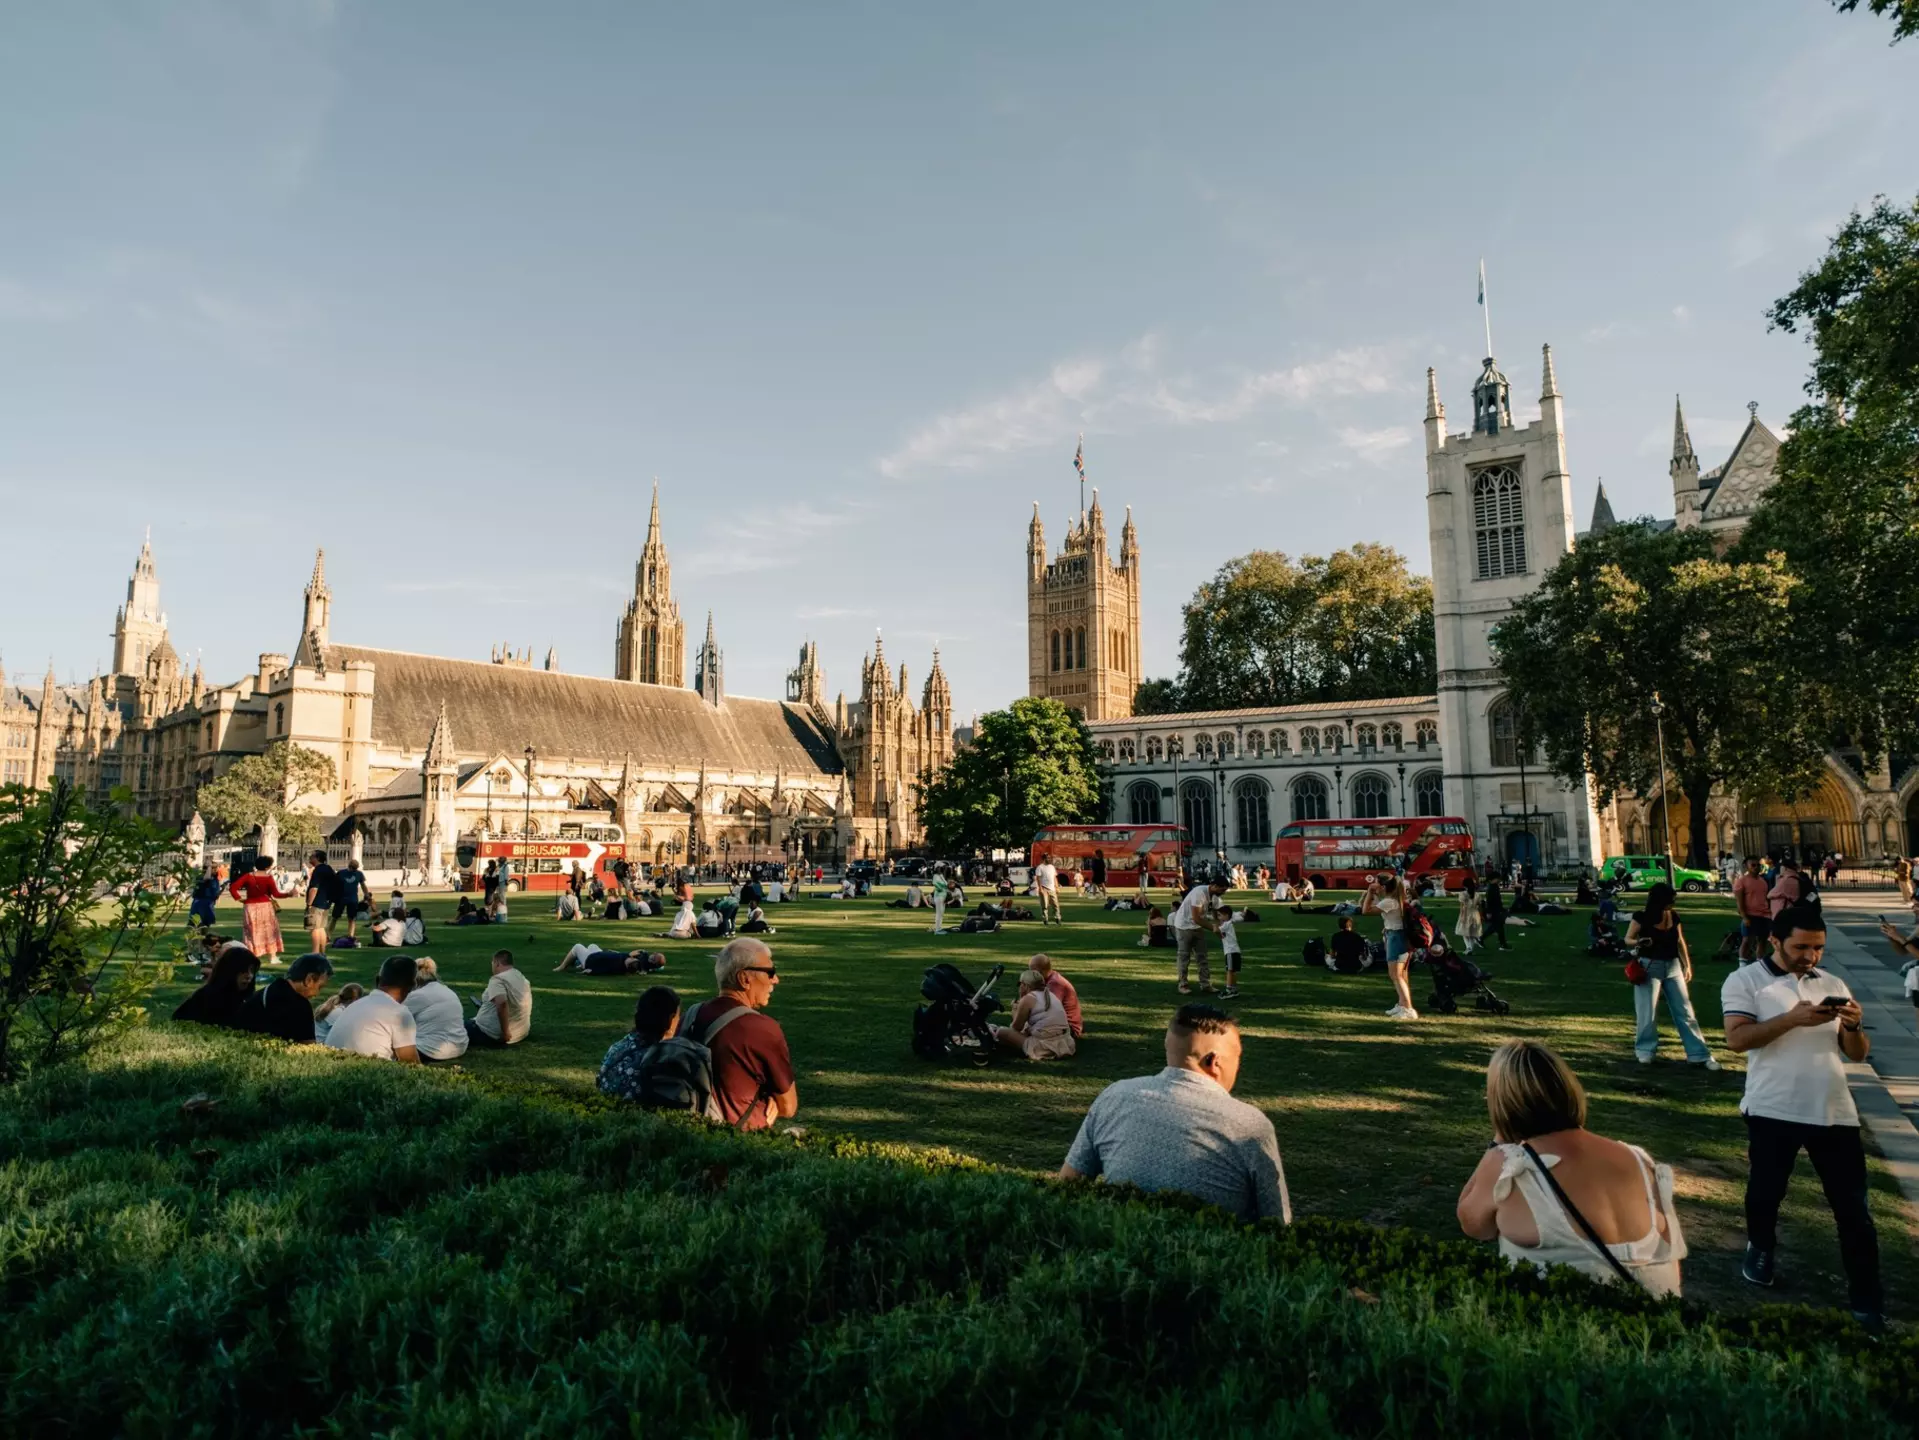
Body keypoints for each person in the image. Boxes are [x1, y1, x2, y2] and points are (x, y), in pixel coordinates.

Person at [1722, 904, 1880, 1328]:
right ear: (1775, 940)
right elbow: (1737, 1040)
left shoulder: (1832, 982)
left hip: (1834, 1109)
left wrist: (1852, 1026)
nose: (1810, 957)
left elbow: (1858, 1055)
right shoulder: (1746, 981)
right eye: (1801, 947)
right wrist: (1791, 1020)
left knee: (1854, 1211)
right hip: (1773, 1106)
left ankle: (1867, 1299)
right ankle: (1760, 1247)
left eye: (1818, 948)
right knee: (1766, 1192)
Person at [1455, 1040, 1686, 1297]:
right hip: (1653, 1326)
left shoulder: (1510, 1164)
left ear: (1502, 1103)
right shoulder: (1638, 1159)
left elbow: (1474, 1225)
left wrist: (1499, 1138)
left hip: (1564, 1329)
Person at [1060, 1005, 1290, 1223]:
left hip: (1119, 1250)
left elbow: (1068, 1185)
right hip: (1208, 1260)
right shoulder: (1249, 1125)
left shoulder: (1114, 1097)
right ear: (1214, 1062)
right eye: (1237, 1058)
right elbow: (1277, 1222)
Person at [679, 938, 797, 1131]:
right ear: (744, 979)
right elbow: (788, 1106)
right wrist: (771, 1098)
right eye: (770, 972)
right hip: (736, 1141)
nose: (776, 979)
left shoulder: (690, 1016)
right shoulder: (762, 1029)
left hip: (688, 1131)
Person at [1625, 882, 1718, 1068]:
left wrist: (1687, 965)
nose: (1672, 904)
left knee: (1685, 1010)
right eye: (1670, 901)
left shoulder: (1674, 916)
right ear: (1659, 900)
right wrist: (1639, 941)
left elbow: (1680, 940)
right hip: (1649, 966)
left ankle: (1698, 1054)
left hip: (1673, 966)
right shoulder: (1641, 917)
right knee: (1647, 1011)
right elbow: (1628, 939)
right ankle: (1645, 1051)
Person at [323, 954, 421, 1063]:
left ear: (377, 980)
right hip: (369, 1075)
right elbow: (411, 1063)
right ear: (412, 986)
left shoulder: (355, 1005)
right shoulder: (399, 1013)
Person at [242, 951, 332, 1042]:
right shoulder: (301, 1006)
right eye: (319, 987)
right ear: (309, 979)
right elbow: (308, 1047)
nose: (316, 994)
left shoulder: (265, 991)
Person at [1364, 872, 1417, 1021]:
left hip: (1396, 937)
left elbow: (1365, 910)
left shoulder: (1389, 901)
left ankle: (1408, 1008)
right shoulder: (1396, 899)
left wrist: (1369, 892)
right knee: (1402, 974)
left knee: (1395, 975)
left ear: (1382, 886)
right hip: (1400, 936)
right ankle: (1402, 1004)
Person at [991, 968, 1076, 1059]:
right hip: (1064, 1042)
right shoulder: (1050, 995)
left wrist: (1015, 1010)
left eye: (1020, 984)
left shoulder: (1027, 999)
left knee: (1001, 1032)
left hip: (1044, 1046)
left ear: (1025, 985)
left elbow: (1016, 1028)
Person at [227, 856, 293, 968]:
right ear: (268, 866)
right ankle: (272, 956)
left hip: (251, 906)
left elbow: (233, 887)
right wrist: (288, 894)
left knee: (251, 931)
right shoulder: (268, 878)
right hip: (265, 906)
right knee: (269, 931)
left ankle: (253, 955)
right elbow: (276, 894)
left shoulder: (248, 876)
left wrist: (239, 898)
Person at [172, 944, 259, 1028]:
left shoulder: (246, 997)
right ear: (230, 971)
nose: (249, 976)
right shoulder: (211, 996)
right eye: (244, 971)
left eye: (251, 970)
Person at [402, 956, 469, 1062]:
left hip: (431, 1050)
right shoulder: (448, 991)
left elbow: (392, 1017)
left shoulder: (417, 995)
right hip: (459, 1046)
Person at [466, 949, 531, 1048]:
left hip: (491, 1034)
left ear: (496, 963)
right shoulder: (520, 977)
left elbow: (502, 1004)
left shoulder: (498, 980)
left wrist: (505, 1033)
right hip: (520, 1032)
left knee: (453, 1027)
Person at [1172, 877, 1226, 994]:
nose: (1223, 893)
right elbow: (1196, 918)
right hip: (1184, 926)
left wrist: (1220, 926)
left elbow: (1217, 914)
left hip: (1197, 927)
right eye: (1222, 890)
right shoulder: (1199, 893)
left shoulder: (1215, 897)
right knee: (1184, 957)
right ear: (1214, 886)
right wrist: (1213, 928)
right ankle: (1183, 985)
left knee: (1202, 957)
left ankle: (1205, 984)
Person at [1030, 954, 1083, 1038]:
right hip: (1061, 1023)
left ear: (1041, 972)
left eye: (1032, 972)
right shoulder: (1049, 979)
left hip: (1069, 1027)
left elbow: (1048, 1009)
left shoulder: (1055, 983)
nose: (1031, 975)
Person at [1732, 856, 1771, 962]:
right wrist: (1744, 917)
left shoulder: (1763, 881)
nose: (1756, 867)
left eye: (1758, 865)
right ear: (1746, 866)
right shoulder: (1741, 882)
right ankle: (1742, 964)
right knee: (1747, 940)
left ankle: (1760, 962)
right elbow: (1739, 902)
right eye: (1753, 865)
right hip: (1750, 915)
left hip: (1764, 915)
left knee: (1763, 940)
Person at [303, 850, 339, 956]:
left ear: (317, 858)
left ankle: (315, 952)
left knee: (314, 928)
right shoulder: (328, 869)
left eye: (312, 856)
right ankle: (322, 952)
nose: (310, 858)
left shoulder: (318, 870)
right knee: (321, 928)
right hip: (326, 902)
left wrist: (309, 904)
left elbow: (314, 888)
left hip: (316, 902)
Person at [554, 942, 667, 975]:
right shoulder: (645, 967)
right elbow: (660, 967)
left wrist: (589, 971)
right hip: (599, 956)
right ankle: (577, 962)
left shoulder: (621, 964)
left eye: (655, 955)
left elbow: (604, 969)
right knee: (592, 945)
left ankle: (562, 966)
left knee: (577, 946)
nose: (654, 953)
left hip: (591, 961)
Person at [334, 858, 368, 941]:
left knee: (352, 918)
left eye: (355, 868)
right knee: (335, 917)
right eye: (353, 868)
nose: (354, 870)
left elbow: (363, 885)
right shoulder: (341, 873)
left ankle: (351, 936)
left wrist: (366, 894)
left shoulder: (359, 874)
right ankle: (328, 935)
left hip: (353, 899)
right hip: (341, 898)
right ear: (349, 866)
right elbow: (334, 885)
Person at [1216, 906, 1245, 1000]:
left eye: (1220, 915)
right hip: (1234, 951)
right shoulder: (1228, 924)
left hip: (1230, 951)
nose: (1218, 917)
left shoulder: (1226, 924)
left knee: (1229, 971)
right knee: (1232, 971)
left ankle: (1229, 990)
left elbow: (1216, 930)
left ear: (1226, 915)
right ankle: (1234, 989)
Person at [1455, 874, 1483, 955]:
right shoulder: (1477, 894)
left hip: (1466, 914)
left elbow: (1462, 907)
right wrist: (1481, 915)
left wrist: (1462, 917)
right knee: (1472, 932)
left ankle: (1469, 947)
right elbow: (1479, 905)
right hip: (1475, 914)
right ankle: (1471, 947)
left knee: (1464, 932)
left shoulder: (1463, 894)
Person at [188, 864, 222, 930]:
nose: (216, 870)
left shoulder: (214, 878)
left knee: (203, 924)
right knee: (198, 923)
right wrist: (209, 866)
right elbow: (207, 879)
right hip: (203, 902)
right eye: (214, 869)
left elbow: (215, 892)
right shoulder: (203, 877)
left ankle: (201, 936)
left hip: (205, 902)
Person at [1481, 876, 1510, 952]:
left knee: (1495, 927)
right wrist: (1488, 912)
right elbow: (1489, 901)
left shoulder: (1493, 887)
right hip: (1494, 911)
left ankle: (1481, 939)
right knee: (1498, 927)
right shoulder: (1491, 888)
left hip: (1496, 910)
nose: (1499, 880)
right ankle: (1503, 944)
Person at [1032, 857, 1061, 925]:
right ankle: (1045, 920)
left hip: (1052, 889)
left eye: (1049, 858)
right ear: (1043, 859)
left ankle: (1058, 918)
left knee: (1056, 904)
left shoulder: (1052, 867)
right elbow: (1038, 878)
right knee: (1045, 905)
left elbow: (1054, 877)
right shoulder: (1040, 867)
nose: (1049, 859)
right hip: (1044, 888)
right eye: (1047, 858)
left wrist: (1057, 887)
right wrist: (1040, 888)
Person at [930, 865, 950, 935]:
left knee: (941, 913)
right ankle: (937, 929)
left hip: (943, 896)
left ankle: (939, 927)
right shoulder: (935, 876)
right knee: (939, 913)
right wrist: (941, 888)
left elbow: (946, 884)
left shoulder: (941, 876)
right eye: (938, 868)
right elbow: (935, 884)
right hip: (939, 896)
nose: (940, 870)